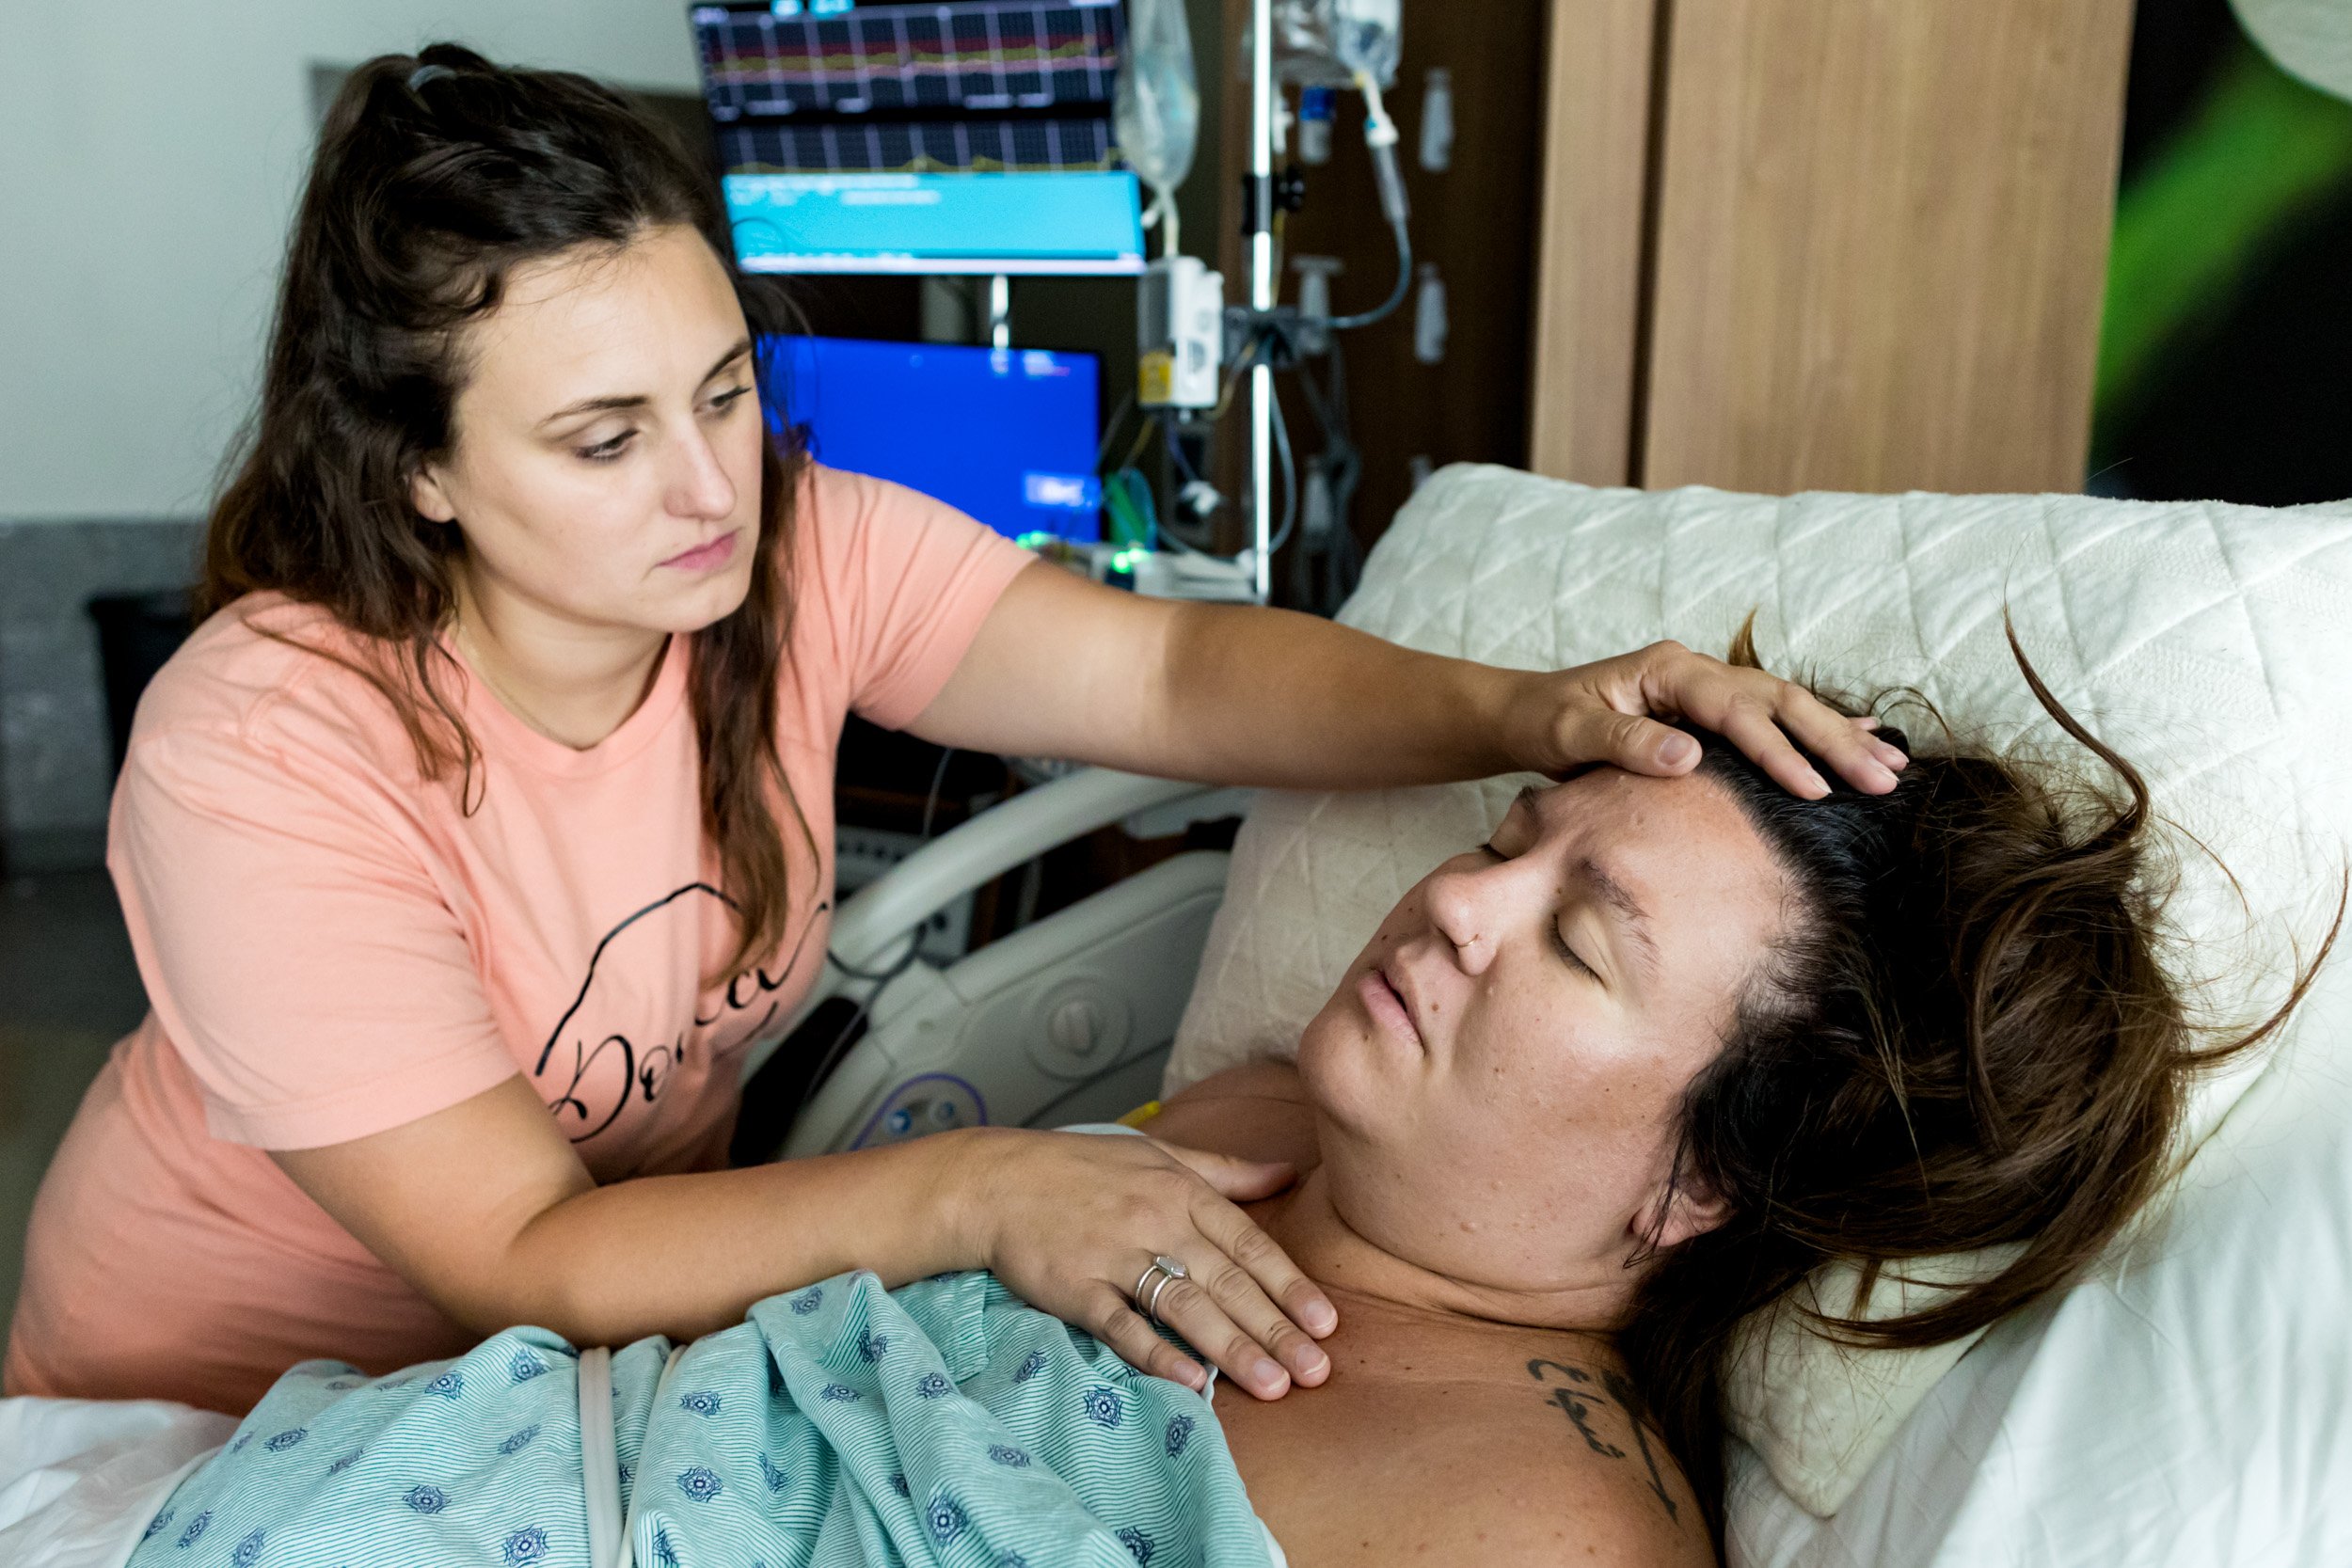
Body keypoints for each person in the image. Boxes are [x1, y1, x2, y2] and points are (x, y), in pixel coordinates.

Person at [3, 46, 1905, 1418]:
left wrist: (1530, 707)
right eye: (603, 439)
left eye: (725, 390)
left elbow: (1167, 685)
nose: (705, 490)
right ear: (417, 472)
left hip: (587, 1369)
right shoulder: (266, 750)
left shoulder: (791, 553)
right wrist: (982, 1191)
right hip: (220, 1383)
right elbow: (516, 1251)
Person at [121, 648, 2322, 1567]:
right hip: (382, 1470)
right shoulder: (1286, 1123)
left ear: (1702, 1179)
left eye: (1573, 944)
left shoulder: (1536, 1528)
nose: (1460, 910)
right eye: (1509, 846)